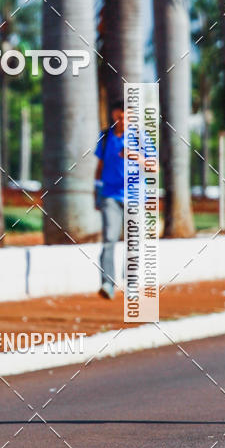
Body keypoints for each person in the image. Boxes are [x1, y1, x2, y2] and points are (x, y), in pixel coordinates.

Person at [94, 99, 157, 299]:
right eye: (117, 118)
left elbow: (154, 167)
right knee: (109, 239)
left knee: (133, 241)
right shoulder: (105, 137)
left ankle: (130, 284)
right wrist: (96, 191)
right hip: (110, 196)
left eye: (124, 117)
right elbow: (100, 166)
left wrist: (136, 157)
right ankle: (107, 283)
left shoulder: (141, 137)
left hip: (135, 196)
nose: (121, 121)